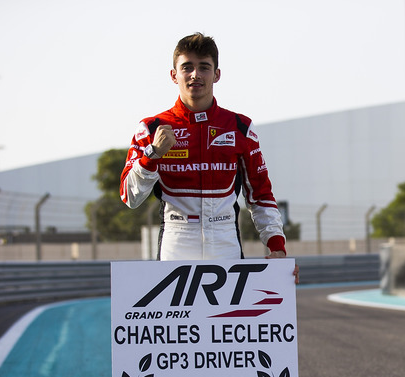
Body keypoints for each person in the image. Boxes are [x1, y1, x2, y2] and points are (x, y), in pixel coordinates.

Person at [120, 32, 295, 280]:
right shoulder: (150, 128)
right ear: (174, 75)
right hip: (176, 237)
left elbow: (260, 194)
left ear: (216, 74)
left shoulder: (240, 126)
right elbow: (129, 196)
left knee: (232, 319)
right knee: (175, 320)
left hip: (225, 237)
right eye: (187, 67)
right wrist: (153, 153)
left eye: (204, 67)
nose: (195, 75)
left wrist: (277, 246)